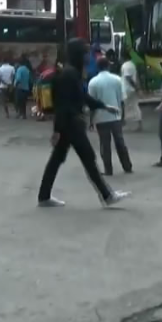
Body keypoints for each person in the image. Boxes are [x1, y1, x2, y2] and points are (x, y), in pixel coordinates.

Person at [38, 38, 129, 208]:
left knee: (57, 160)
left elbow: (82, 97)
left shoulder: (71, 72)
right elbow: (62, 105)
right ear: (78, 54)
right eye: (85, 52)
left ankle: (44, 196)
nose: (88, 56)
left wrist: (103, 106)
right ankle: (107, 195)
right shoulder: (69, 74)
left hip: (69, 124)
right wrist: (57, 130)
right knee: (88, 158)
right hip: (71, 124)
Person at [88, 56, 133, 175]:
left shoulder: (93, 82)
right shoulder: (117, 79)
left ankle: (108, 169)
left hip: (100, 118)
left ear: (97, 67)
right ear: (108, 66)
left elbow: (92, 104)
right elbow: (122, 100)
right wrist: (122, 117)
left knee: (105, 144)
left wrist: (91, 121)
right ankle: (127, 166)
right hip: (116, 116)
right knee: (120, 142)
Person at [120, 50, 142, 131]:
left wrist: (136, 87)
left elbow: (128, 78)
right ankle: (137, 123)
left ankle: (123, 122)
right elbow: (136, 77)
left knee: (126, 106)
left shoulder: (125, 66)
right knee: (133, 105)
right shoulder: (132, 64)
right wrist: (137, 87)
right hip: (131, 89)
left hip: (127, 89)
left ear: (123, 57)